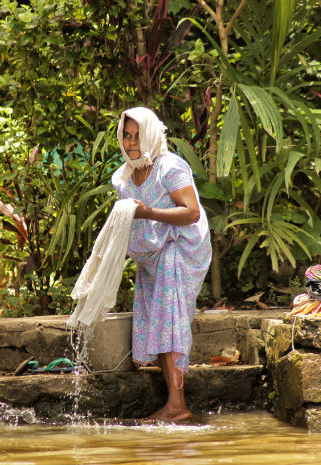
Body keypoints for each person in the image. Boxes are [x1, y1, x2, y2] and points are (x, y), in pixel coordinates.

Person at [112, 107, 212, 422]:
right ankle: (174, 405)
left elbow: (192, 212)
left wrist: (149, 213)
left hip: (181, 250)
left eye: (137, 136)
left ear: (152, 135)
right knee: (155, 321)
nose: (131, 143)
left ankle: (177, 405)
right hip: (153, 254)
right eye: (126, 136)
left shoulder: (169, 167)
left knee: (168, 321)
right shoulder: (125, 176)